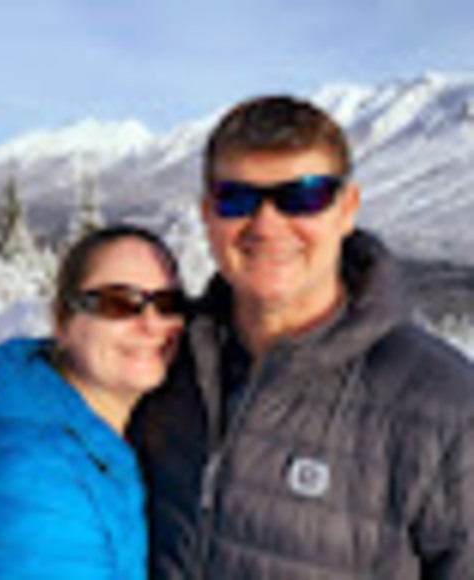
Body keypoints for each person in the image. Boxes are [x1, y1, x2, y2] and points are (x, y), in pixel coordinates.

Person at [129, 96, 474, 578]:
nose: (267, 224)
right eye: (237, 198)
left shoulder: (443, 403)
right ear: (207, 214)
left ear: (347, 209)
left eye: (303, 197)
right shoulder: (161, 361)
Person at [0, 225, 186, 579]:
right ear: (62, 321)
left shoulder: (102, 443)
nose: (151, 323)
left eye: (167, 303)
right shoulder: (31, 480)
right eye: (118, 303)